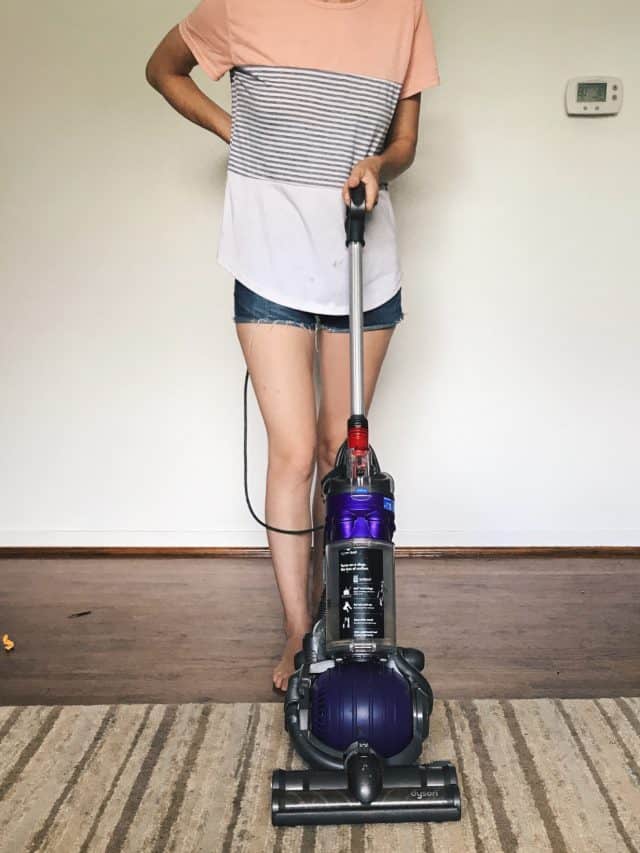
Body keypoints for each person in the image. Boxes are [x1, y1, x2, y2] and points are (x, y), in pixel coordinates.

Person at [145, 0, 439, 691]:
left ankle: (339, 620)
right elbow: (164, 69)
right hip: (269, 255)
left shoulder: (406, 11)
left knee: (342, 448)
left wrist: (380, 165)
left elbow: (406, 144)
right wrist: (234, 133)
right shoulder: (240, 5)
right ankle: (297, 629)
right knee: (294, 450)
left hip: (361, 257)